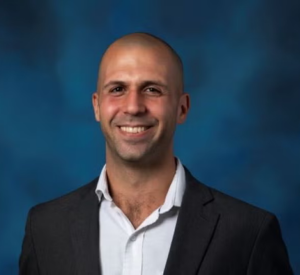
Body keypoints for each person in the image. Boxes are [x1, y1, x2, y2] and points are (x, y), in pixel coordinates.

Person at [19, 33, 293, 275]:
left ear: (182, 108)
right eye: (117, 89)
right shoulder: (45, 229)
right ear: (97, 107)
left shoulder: (249, 233)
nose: (134, 107)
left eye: (152, 90)